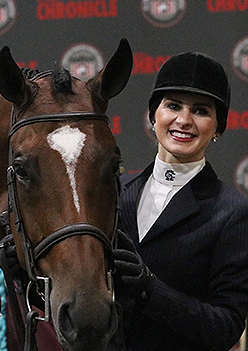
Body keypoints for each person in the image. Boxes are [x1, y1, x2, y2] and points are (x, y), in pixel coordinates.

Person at [111, 52, 248, 350]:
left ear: (218, 127)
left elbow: (225, 327)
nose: (184, 121)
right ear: (153, 115)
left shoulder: (232, 212)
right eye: (173, 106)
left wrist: (152, 290)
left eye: (200, 111)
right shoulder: (114, 192)